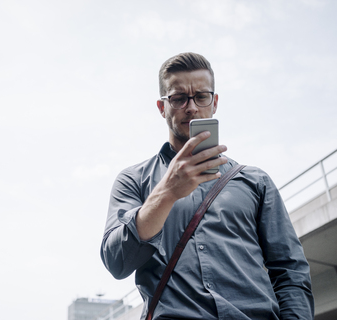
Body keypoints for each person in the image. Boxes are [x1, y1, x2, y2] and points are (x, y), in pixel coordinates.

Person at [100, 52, 314, 319]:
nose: (191, 107)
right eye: (178, 98)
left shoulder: (255, 181)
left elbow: (290, 271)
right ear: (161, 107)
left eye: (201, 96)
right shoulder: (133, 180)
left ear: (214, 102)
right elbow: (117, 262)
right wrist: (166, 193)